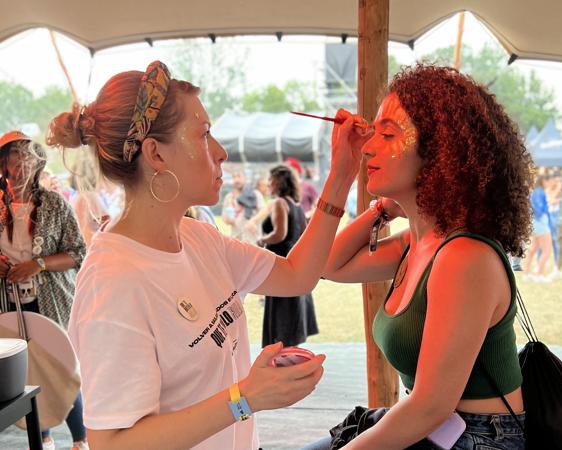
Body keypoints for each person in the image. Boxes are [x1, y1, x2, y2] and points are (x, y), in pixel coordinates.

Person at [46, 60, 361, 450]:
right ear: (156, 155)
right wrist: (245, 398)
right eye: (204, 134)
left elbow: (298, 275)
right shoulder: (114, 282)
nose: (221, 151)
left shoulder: (198, 238)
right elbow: (112, 443)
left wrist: (342, 175)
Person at [312, 64, 531, 449]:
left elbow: (430, 406)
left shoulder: (464, 256)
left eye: (388, 134)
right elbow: (327, 265)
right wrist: (380, 207)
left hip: (477, 438)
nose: (367, 147)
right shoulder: (415, 244)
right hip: (433, 427)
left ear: (438, 151)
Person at [0, 131, 88, 450]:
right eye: (13, 157)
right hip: (8, 307)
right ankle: (44, 437)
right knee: (25, 374)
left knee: (61, 369)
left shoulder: (54, 204)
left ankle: (80, 439)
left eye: (27, 157)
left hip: (50, 304)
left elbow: (79, 251)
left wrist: (38, 263)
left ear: (37, 164)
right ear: (4, 164)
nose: (21, 164)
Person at [258, 165, 319, 347]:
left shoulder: (279, 204)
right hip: (295, 262)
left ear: (279, 182)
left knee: (281, 317)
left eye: (271, 179)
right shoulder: (297, 205)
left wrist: (261, 240)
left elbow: (279, 234)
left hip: (281, 263)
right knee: (292, 313)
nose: (268, 183)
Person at [523, 175, 553, 282]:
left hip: (533, 223)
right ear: (544, 180)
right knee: (546, 250)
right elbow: (540, 209)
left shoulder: (534, 192)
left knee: (532, 249)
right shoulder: (540, 191)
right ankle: (540, 274)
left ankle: (526, 274)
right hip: (541, 223)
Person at [222, 170, 265, 244]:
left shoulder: (256, 194)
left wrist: (254, 221)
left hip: (253, 241)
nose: (236, 180)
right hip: (237, 241)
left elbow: (264, 212)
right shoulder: (229, 197)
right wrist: (228, 219)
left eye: (239, 176)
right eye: (234, 177)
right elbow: (224, 218)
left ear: (245, 178)